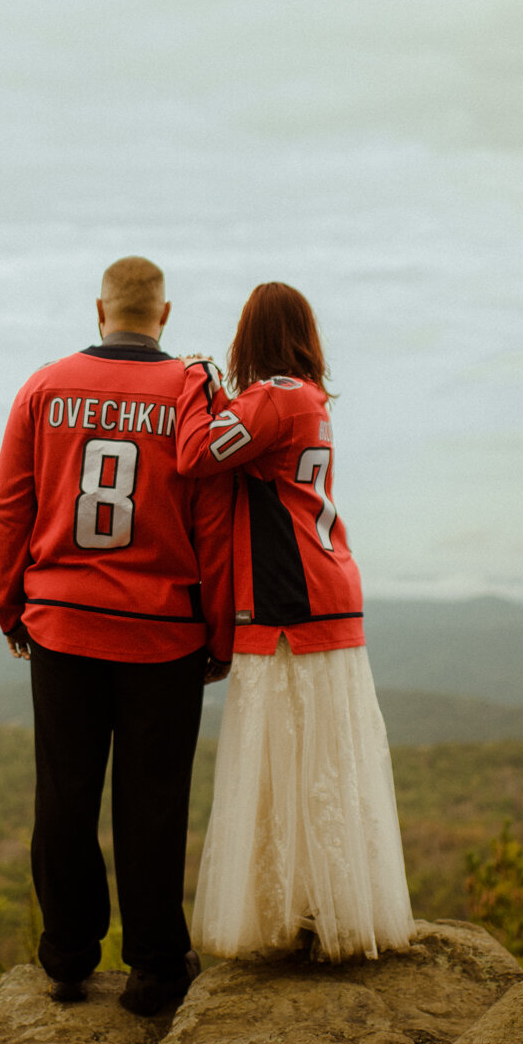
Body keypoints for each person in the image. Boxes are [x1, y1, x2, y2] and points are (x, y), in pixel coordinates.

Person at [0, 255, 233, 1015]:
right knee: (152, 800)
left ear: (100, 311)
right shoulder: (190, 394)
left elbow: (8, 508)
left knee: (64, 793)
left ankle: (66, 954)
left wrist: (10, 607)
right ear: (164, 315)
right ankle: (156, 965)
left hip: (61, 623)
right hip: (163, 632)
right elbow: (215, 525)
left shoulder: (44, 386)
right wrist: (218, 633)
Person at [172, 281, 414, 962]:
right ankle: (329, 911)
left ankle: (295, 919)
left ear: (249, 338)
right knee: (327, 765)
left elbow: (193, 453)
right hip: (329, 590)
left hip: (287, 603)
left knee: (283, 767)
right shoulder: (309, 398)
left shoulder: (272, 396)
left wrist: (196, 380)